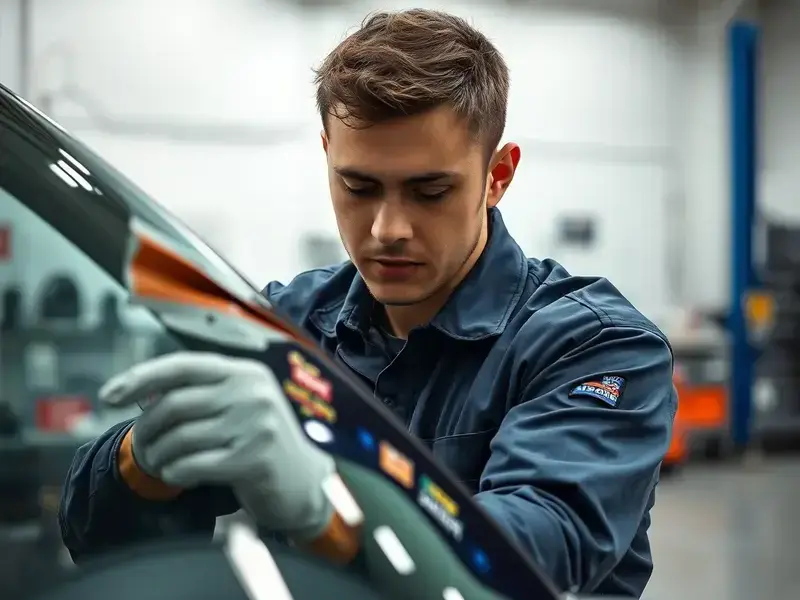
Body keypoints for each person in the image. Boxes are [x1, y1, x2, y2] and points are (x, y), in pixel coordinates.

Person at [58, 9, 676, 598]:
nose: (387, 229)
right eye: (358, 186)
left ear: (498, 175)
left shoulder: (595, 346)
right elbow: (99, 537)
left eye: (430, 191)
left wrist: (331, 511)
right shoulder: (285, 326)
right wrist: (145, 457)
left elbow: (536, 551)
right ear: (327, 153)